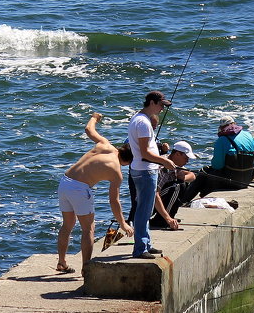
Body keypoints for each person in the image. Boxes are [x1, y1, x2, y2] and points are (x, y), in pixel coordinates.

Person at [55, 112, 134, 274]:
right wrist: (123, 223)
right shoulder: (116, 172)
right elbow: (114, 201)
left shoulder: (105, 144)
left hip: (65, 181)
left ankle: (62, 262)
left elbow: (88, 129)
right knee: (88, 229)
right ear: (128, 161)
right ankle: (86, 268)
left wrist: (95, 118)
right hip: (79, 188)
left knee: (67, 225)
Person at [127, 91, 180, 259]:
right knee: (143, 210)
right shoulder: (143, 123)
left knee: (147, 208)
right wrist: (163, 161)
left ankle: (146, 244)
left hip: (142, 169)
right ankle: (140, 249)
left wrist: (160, 159)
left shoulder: (139, 119)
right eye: (161, 105)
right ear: (151, 102)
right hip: (145, 170)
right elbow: (144, 153)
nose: (162, 109)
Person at [185, 115, 254, 200]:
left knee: (202, 174)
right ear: (235, 124)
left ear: (221, 128)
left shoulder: (222, 140)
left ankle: (183, 200)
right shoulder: (249, 136)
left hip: (231, 182)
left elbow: (217, 165)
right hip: (247, 179)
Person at [151, 140, 197, 227]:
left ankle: (168, 217)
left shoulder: (174, 162)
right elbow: (154, 195)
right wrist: (167, 219)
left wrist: (183, 177)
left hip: (159, 199)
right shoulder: (163, 167)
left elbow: (192, 176)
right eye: (186, 158)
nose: (187, 161)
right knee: (177, 187)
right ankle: (161, 220)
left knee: (182, 183)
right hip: (150, 202)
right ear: (177, 154)